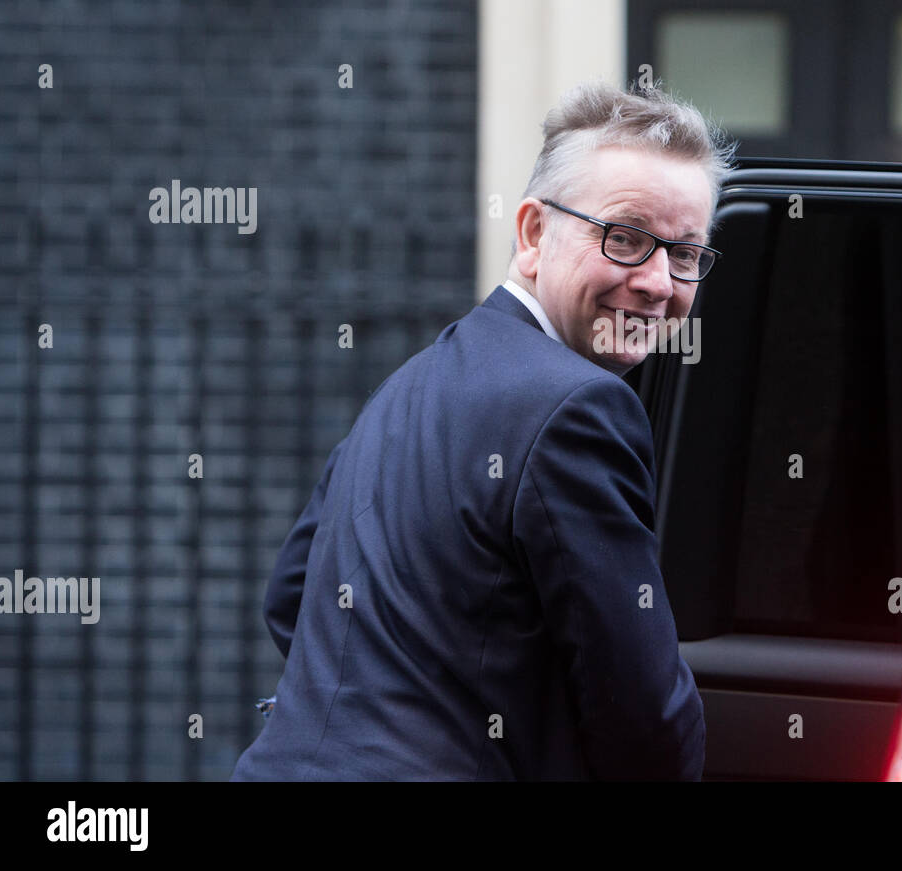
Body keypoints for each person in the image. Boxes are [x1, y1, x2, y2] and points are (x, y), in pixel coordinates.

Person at [230, 81, 735, 780]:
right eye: (626, 238)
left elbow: (292, 597)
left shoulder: (406, 385)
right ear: (533, 232)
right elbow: (642, 709)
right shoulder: (582, 406)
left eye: (685, 255)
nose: (658, 281)